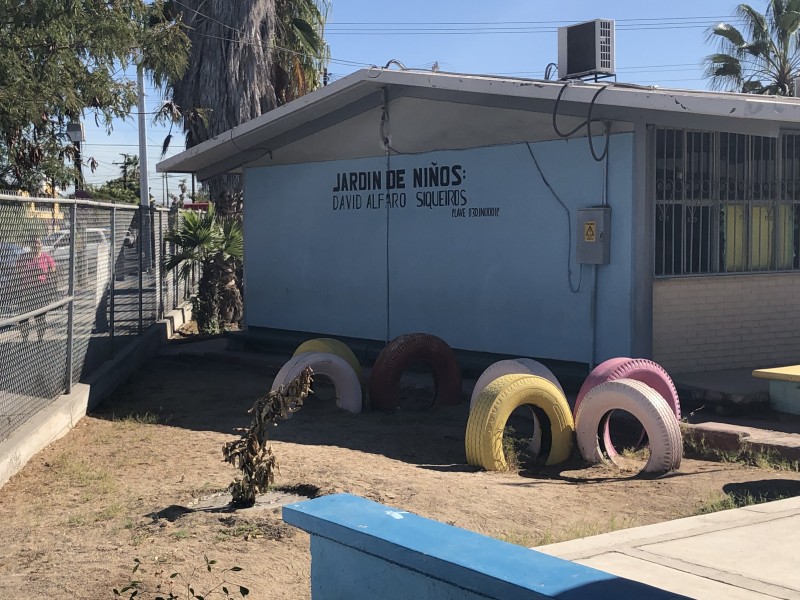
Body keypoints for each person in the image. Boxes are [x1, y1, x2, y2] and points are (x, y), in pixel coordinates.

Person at [16, 237, 58, 343]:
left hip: (41, 290)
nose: (36, 245)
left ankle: (40, 339)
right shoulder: (23, 258)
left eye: (38, 243)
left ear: (41, 244)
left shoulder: (46, 257)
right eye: (34, 243)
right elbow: (16, 275)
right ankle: (24, 339)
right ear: (30, 245)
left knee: (40, 317)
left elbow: (54, 273)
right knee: (24, 317)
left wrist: (50, 290)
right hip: (26, 291)